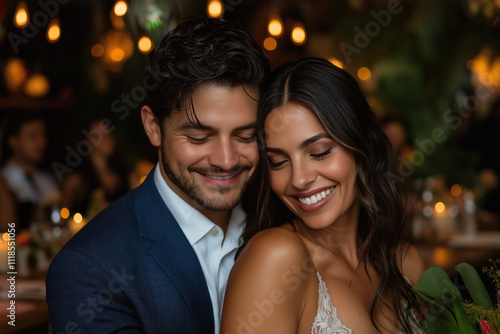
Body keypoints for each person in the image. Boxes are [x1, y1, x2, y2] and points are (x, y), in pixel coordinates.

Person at [46, 17, 270, 334]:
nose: (226, 159)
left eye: (246, 136)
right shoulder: (91, 268)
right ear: (154, 127)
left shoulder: (280, 221)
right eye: (199, 137)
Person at [221, 58, 425, 334]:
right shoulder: (275, 258)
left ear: (360, 144)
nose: (299, 179)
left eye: (319, 152)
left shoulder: (406, 264)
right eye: (279, 161)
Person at [60, 118, 129, 220]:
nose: (107, 139)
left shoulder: (126, 175)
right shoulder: (76, 180)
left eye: (109, 133)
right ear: (86, 141)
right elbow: (63, 216)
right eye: (98, 136)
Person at [1, 112, 59, 230]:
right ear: (13, 141)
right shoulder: (4, 180)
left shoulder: (47, 180)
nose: (42, 142)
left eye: (43, 135)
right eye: (33, 136)